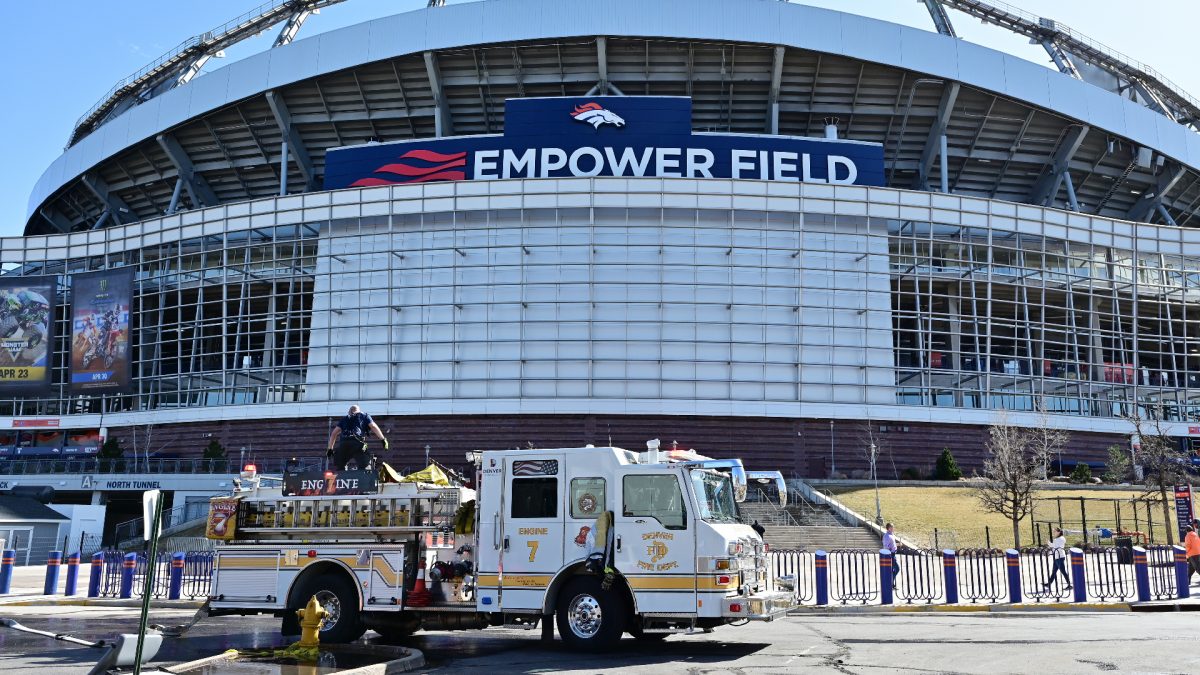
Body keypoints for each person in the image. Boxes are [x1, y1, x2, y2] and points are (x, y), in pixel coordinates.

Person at [326, 405, 389, 470]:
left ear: (349, 412)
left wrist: (330, 449)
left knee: (340, 466)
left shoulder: (344, 419)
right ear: (358, 411)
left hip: (344, 444)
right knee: (364, 465)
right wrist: (383, 439)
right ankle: (363, 477)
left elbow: (333, 433)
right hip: (357, 443)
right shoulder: (364, 416)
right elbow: (373, 426)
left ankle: (342, 477)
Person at [883, 522, 899, 588]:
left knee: (894, 569)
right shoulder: (887, 536)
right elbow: (886, 546)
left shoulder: (891, 535)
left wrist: (897, 545)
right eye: (892, 527)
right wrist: (889, 554)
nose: (893, 528)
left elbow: (892, 545)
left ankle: (891, 583)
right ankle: (890, 583)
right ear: (889, 528)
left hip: (893, 554)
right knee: (896, 569)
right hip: (890, 554)